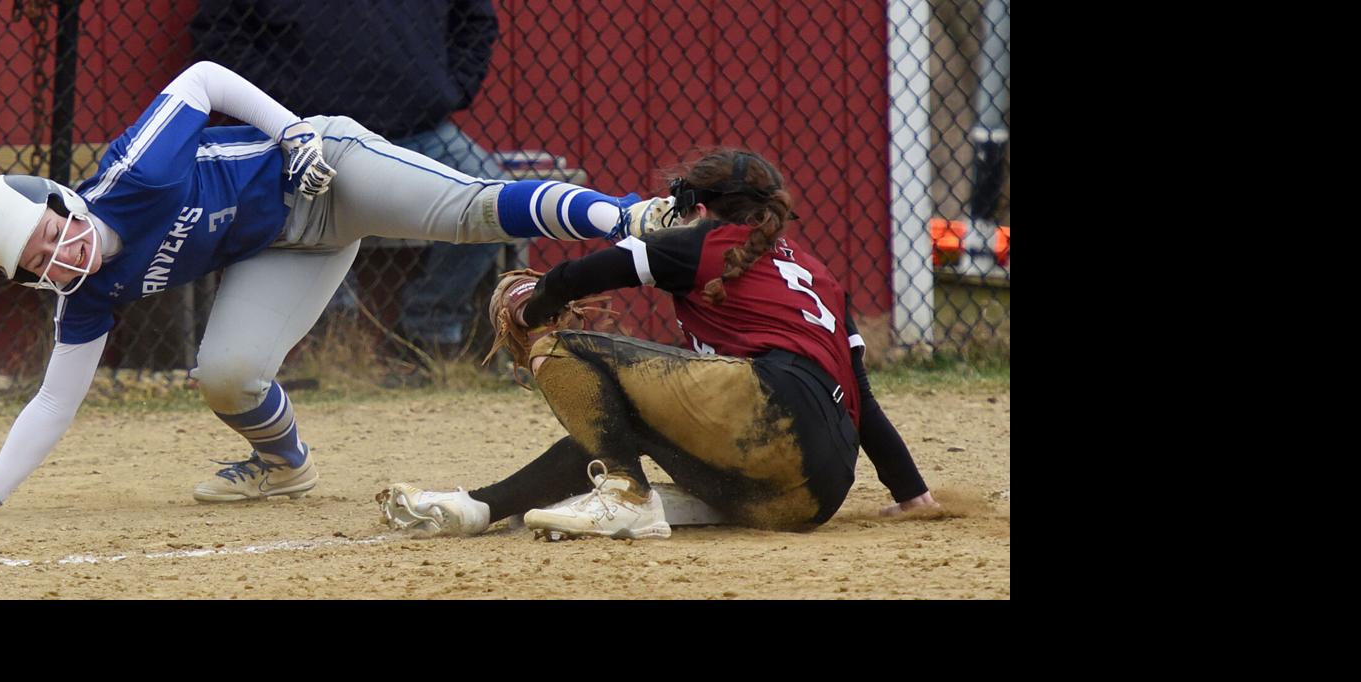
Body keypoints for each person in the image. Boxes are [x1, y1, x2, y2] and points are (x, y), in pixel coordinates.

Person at [0, 60, 655, 518]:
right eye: (36, 261)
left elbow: (202, 78)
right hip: (286, 247)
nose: (56, 254)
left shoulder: (132, 173)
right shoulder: (88, 296)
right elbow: (53, 400)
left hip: (320, 167)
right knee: (226, 373)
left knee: (465, 210)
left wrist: (291, 128)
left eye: (47, 231)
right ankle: (284, 467)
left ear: (62, 199)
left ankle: (632, 215)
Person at [378, 148, 940, 541]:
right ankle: (481, 507)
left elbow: (578, 277)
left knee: (563, 350)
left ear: (698, 209)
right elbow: (861, 398)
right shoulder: (820, 276)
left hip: (769, 411)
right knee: (627, 422)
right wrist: (911, 493)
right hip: (810, 496)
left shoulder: (701, 242)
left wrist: (529, 308)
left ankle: (624, 495)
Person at [189, 0, 507, 359]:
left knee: (492, 194)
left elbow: (476, 19)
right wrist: (277, 105)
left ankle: (429, 327)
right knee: (304, 213)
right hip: (309, 137)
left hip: (419, 129)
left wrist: (450, 88)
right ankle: (337, 342)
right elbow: (218, 32)